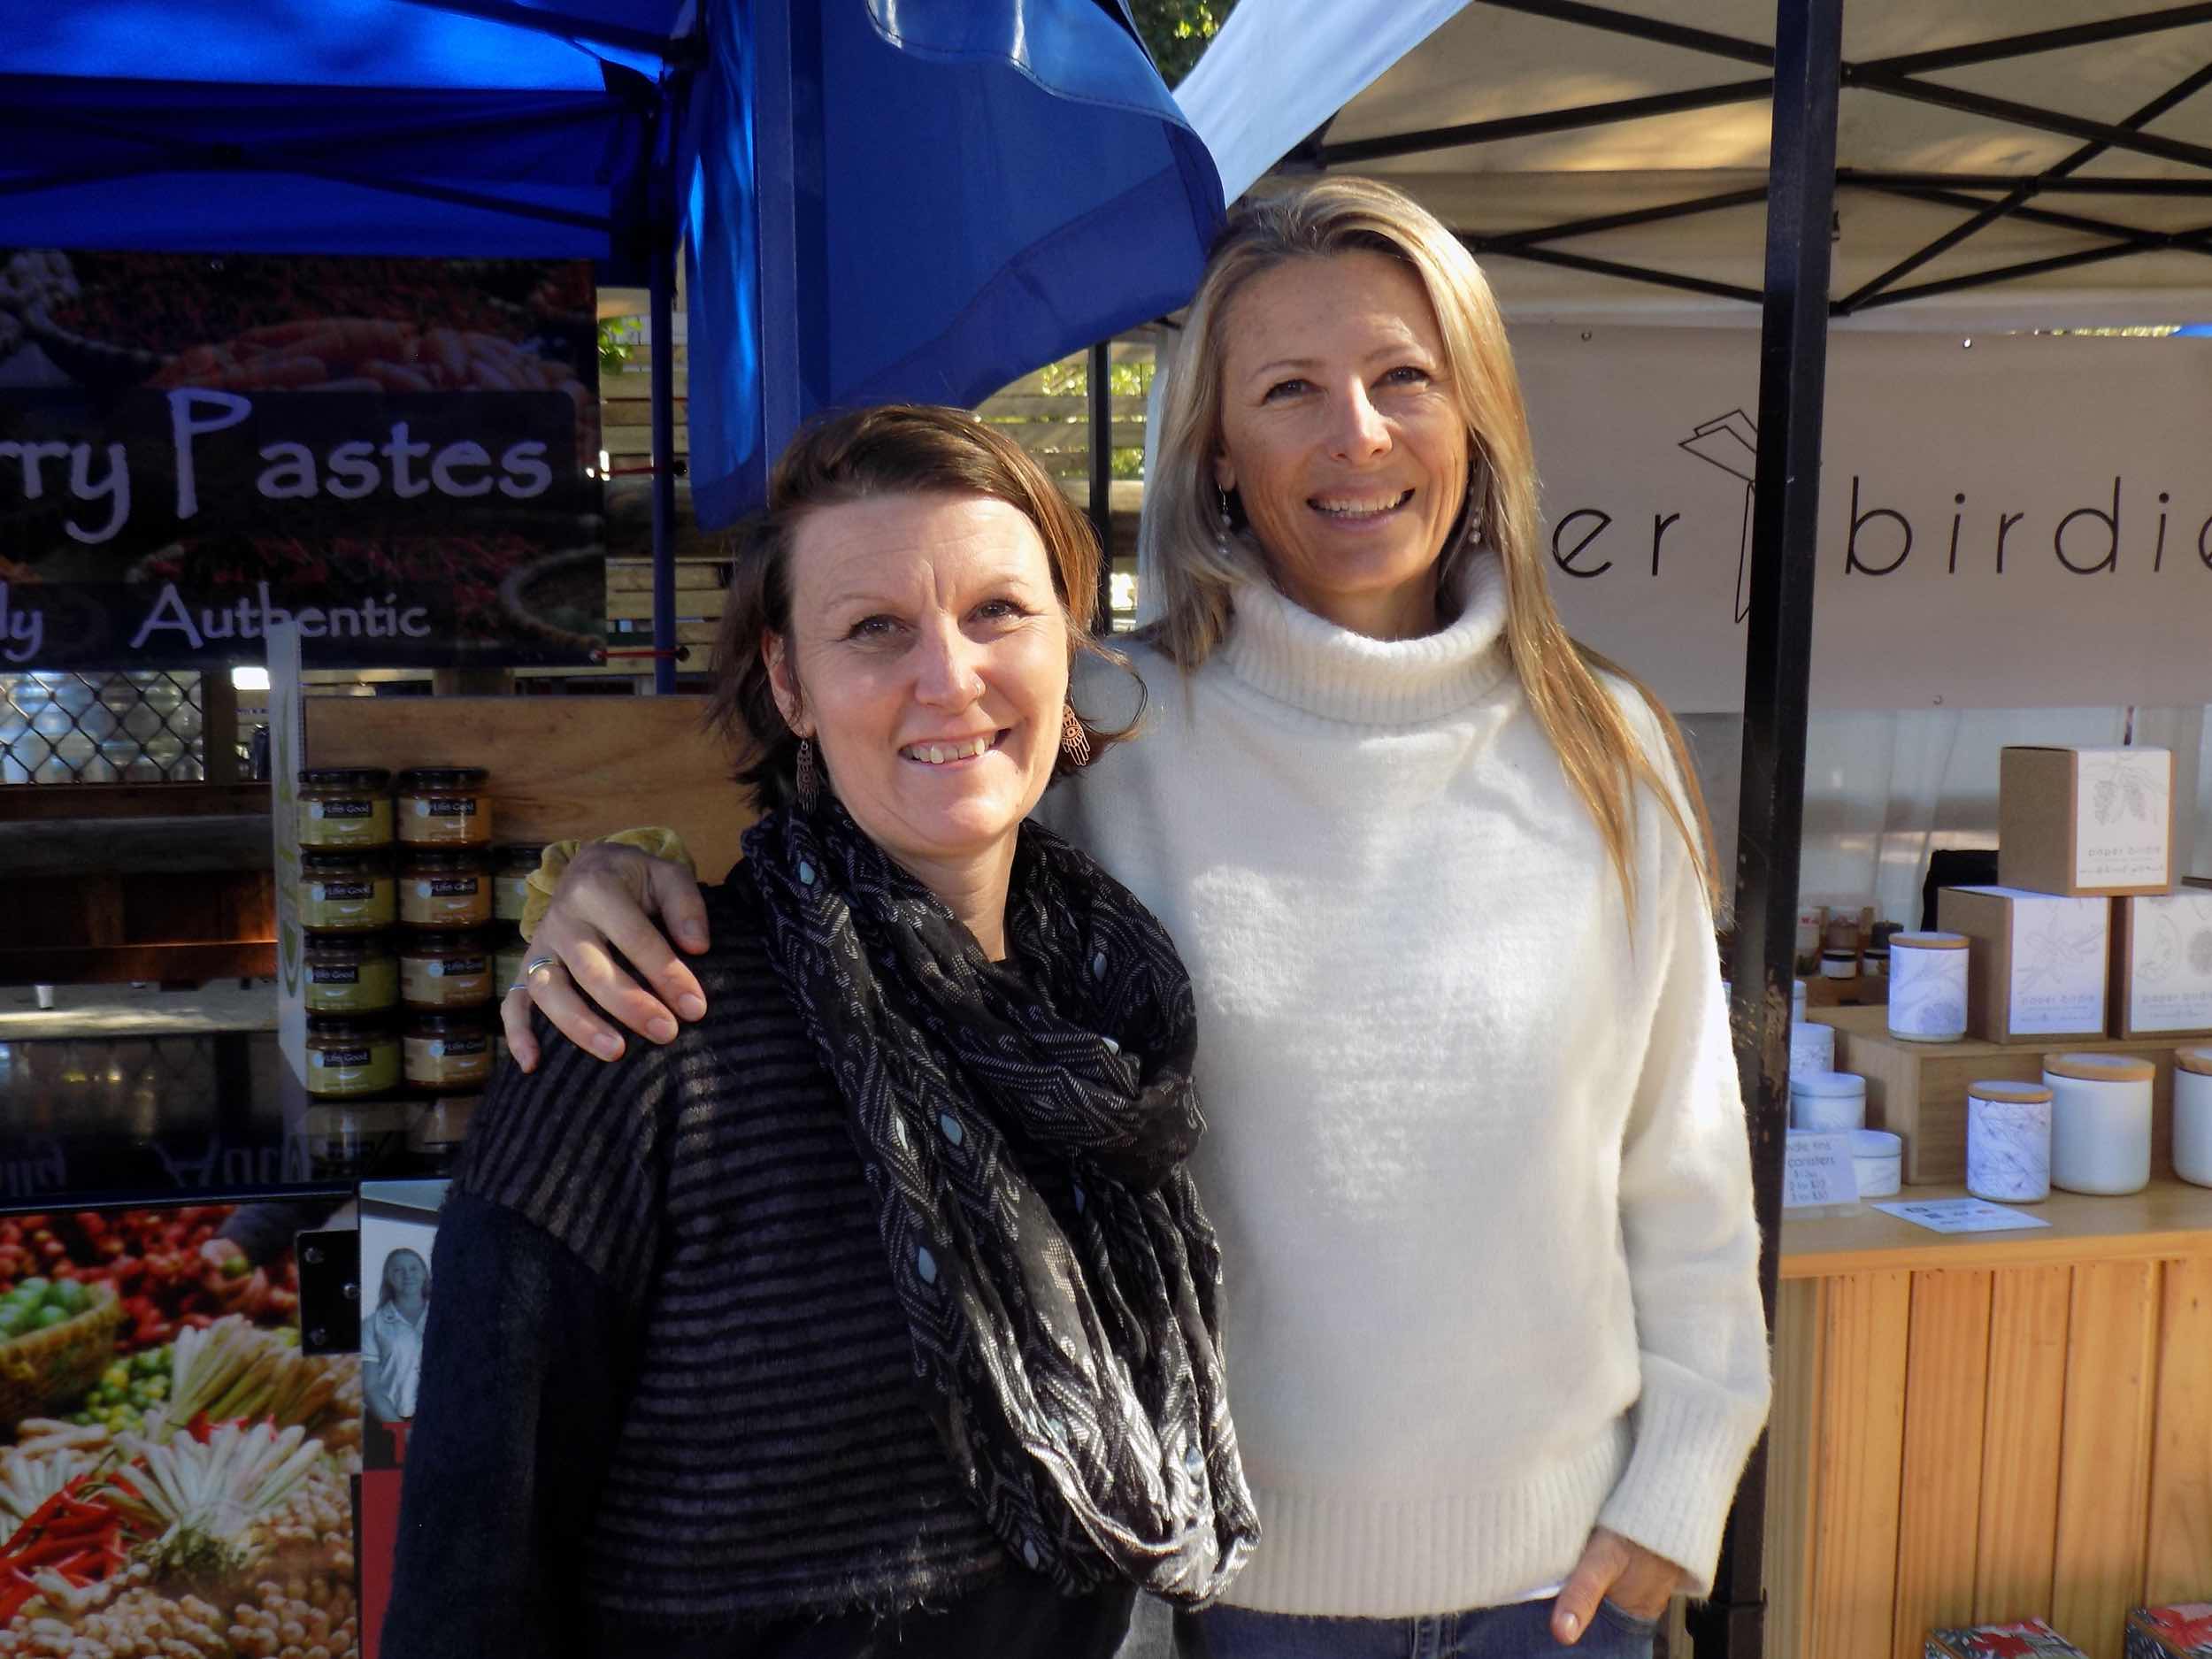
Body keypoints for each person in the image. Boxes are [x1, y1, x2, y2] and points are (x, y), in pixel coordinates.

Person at [509, 178, 1770, 1658]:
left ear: (1476, 413)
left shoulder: (1606, 747)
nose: (1355, 434)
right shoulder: (1107, 727)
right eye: (1289, 390)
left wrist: (1680, 1487)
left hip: (1561, 1596)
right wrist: (597, 882)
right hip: (1226, 1599)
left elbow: (1683, 1170)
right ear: (1218, 453)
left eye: (1403, 378)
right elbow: (870, 842)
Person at [381, 405, 1256, 1659]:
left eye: (999, 611)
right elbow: (469, 1594)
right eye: (874, 630)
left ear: (1070, 639)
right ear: (790, 682)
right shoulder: (635, 1038)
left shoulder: (1109, 1018)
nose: (948, 676)